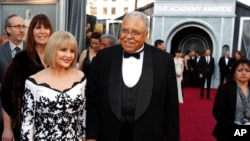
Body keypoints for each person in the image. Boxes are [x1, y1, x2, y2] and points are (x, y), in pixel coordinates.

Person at [85, 11, 179, 141]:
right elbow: (92, 100)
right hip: (108, 134)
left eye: (135, 32)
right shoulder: (104, 57)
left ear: (146, 34)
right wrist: (91, 136)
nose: (128, 36)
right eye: (124, 31)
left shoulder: (164, 60)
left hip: (149, 135)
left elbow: (171, 106)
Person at [20, 31, 86, 140]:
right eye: (63, 50)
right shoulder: (33, 82)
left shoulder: (80, 77)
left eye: (72, 51)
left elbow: (83, 114)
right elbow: (27, 123)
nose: (68, 55)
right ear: (52, 50)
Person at [1, 14, 53, 141]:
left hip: (53, 124)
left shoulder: (57, 58)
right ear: (31, 32)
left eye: (46, 28)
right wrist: (7, 128)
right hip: (26, 125)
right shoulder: (21, 59)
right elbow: (7, 94)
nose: (42, 32)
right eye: (37, 28)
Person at [0, 14, 25, 138]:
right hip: (5, 114)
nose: (22, 30)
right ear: (8, 29)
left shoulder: (32, 51)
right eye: (18, 26)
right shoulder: (0, 52)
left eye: (23, 27)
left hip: (27, 115)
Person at [213, 59, 250, 141]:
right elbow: (217, 112)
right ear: (234, 73)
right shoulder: (225, 88)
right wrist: (234, 127)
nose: (244, 73)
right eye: (240, 70)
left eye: (247, 70)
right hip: (229, 131)